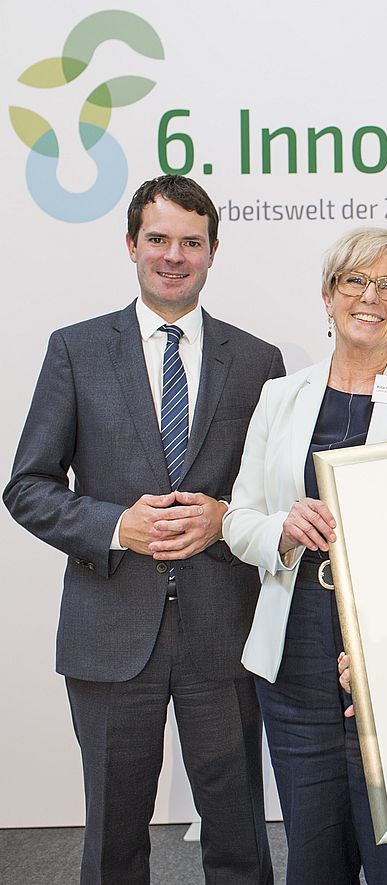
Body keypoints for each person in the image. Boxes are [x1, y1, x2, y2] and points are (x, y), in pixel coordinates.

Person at [4, 174, 281, 884]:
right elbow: (27, 486)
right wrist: (113, 524)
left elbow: (275, 497)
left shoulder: (257, 362)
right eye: (157, 239)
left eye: (192, 242)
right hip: (108, 630)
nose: (173, 255)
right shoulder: (76, 349)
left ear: (213, 251)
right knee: (113, 842)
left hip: (222, 632)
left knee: (239, 835)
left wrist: (223, 521)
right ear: (131, 245)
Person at [223, 227, 387, 884]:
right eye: (355, 280)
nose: (371, 296)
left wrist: (386, 646)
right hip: (294, 652)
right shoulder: (282, 395)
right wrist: (282, 526)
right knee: (314, 858)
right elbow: (237, 521)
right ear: (329, 296)